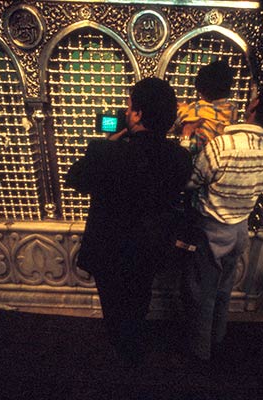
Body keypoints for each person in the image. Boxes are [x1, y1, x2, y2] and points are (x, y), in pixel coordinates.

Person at [65, 78, 192, 366]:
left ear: (137, 114)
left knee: (112, 303)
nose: (126, 110)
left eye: (129, 105)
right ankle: (134, 345)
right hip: (149, 245)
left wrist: (108, 143)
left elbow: (74, 180)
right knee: (139, 298)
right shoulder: (180, 158)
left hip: (108, 248)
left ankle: (121, 348)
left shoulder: (106, 152)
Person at [181, 74, 263, 361]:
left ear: (256, 102)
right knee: (224, 290)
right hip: (239, 228)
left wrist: (187, 138)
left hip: (213, 229)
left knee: (203, 295)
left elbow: (190, 181)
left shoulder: (224, 145)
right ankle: (218, 338)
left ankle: (200, 354)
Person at [175, 59, 239, 156]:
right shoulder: (233, 109)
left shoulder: (197, 108)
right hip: (224, 154)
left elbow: (181, 117)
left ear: (201, 91)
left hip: (201, 156)